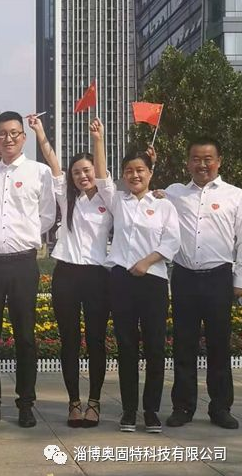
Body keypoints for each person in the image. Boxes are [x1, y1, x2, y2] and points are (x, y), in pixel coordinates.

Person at [91, 118, 180, 434]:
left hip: (153, 280)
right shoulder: (118, 201)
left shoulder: (164, 205)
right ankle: (129, 411)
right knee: (126, 347)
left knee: (155, 348)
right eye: (129, 171)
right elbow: (101, 177)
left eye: (140, 170)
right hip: (121, 281)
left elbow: (172, 241)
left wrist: (147, 262)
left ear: (150, 173)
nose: (134, 175)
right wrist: (98, 139)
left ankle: (151, 411)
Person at [0, 111, 56, 428]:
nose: (7, 139)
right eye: (1, 134)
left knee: (25, 337)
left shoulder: (39, 173)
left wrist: (27, 234)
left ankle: (25, 404)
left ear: (23, 137)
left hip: (23, 263)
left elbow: (47, 215)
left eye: (13, 133)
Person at [30, 115, 111, 428]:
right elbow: (52, 161)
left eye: (86, 170)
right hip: (66, 275)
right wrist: (40, 132)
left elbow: (103, 174)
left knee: (96, 340)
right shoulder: (67, 197)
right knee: (70, 341)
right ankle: (74, 403)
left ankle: (94, 402)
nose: (82, 176)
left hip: (97, 277)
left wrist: (97, 139)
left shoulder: (108, 197)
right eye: (77, 172)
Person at [164, 138, 242, 430]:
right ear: (188, 162)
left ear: (219, 161)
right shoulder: (174, 193)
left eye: (208, 159)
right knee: (183, 344)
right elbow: (148, 198)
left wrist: (239, 280)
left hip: (219, 278)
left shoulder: (235, 196)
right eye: (196, 159)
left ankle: (220, 407)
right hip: (184, 276)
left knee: (219, 345)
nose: (202, 164)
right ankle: (183, 406)